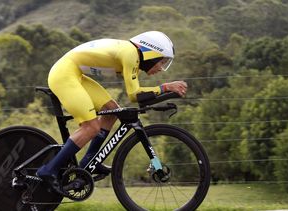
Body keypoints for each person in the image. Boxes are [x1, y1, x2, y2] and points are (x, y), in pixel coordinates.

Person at [36, 31, 188, 189]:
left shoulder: (131, 54)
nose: (161, 68)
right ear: (153, 53)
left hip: (75, 74)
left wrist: (163, 92)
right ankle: (48, 170)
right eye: (162, 62)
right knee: (91, 127)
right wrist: (166, 87)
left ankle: (90, 160)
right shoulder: (131, 54)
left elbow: (141, 96)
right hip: (64, 75)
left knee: (112, 111)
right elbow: (134, 95)